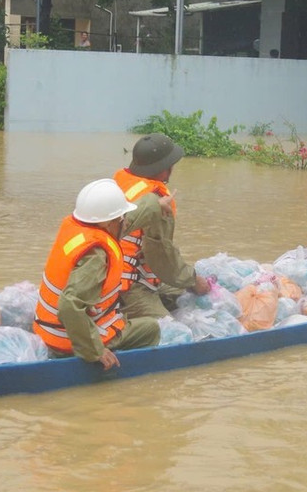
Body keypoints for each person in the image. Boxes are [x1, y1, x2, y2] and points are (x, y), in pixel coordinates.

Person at [33, 178, 161, 369]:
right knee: (151, 328)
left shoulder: (78, 228)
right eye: (122, 219)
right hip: (66, 341)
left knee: (119, 312)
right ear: (109, 223)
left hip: (45, 329)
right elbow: (69, 305)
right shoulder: (97, 257)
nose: (126, 223)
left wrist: (156, 204)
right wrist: (95, 350)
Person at [112, 133, 209, 319]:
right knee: (165, 328)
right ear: (166, 168)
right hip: (125, 285)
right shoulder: (158, 199)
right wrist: (193, 280)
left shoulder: (121, 180)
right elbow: (162, 255)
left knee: (178, 292)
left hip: (110, 274)